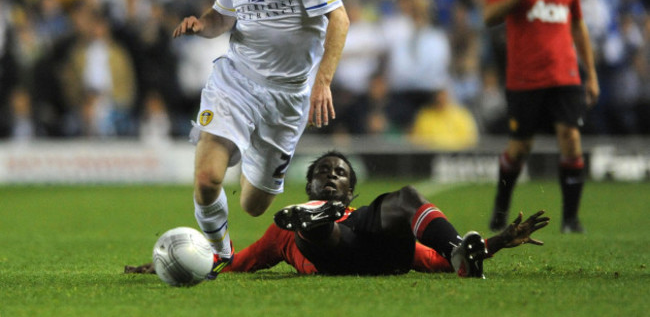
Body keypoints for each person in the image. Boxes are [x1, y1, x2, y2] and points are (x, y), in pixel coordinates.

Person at [171, 0, 349, 277]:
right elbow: (222, 18)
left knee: (253, 204)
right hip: (236, 80)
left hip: (287, 96)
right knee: (206, 179)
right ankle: (219, 255)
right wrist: (201, 24)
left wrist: (323, 82)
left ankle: (251, 155)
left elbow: (339, 19)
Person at [126, 151, 549, 278]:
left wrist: (488, 246)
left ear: (350, 190)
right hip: (336, 252)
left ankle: (458, 243)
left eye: (340, 174)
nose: (332, 176)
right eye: (323, 173)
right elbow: (235, 262)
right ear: (309, 185)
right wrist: (173, 265)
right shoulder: (281, 236)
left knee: (403, 199)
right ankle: (318, 222)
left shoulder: (362, 212)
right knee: (317, 233)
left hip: (381, 249)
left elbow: (433, 262)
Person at [483, 0, 600, 234]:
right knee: (520, 147)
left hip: (564, 75)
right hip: (524, 78)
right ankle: (501, 208)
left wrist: (590, 73)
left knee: (571, 139)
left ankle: (571, 221)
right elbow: (490, 15)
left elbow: (578, 26)